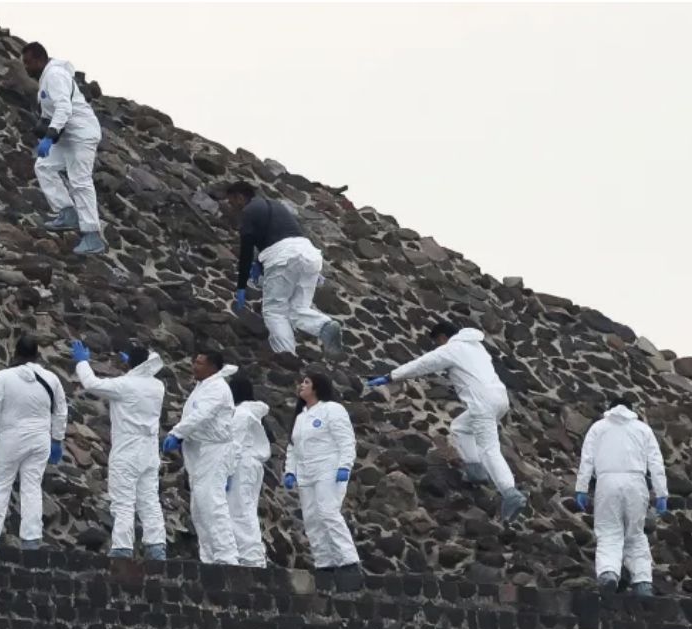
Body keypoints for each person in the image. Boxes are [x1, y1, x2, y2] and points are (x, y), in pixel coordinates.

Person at [365, 321, 527, 522]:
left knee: (489, 448)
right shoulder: (476, 346)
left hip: (482, 403)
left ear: (442, 337)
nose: (438, 346)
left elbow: (422, 364)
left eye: (437, 342)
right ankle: (475, 470)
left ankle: (510, 492)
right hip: (499, 399)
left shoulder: (453, 349)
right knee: (460, 428)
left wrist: (390, 377)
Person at [224, 181, 344, 357]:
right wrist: (259, 263)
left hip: (283, 257)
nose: (231, 205)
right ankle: (325, 325)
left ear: (240, 197)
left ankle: (286, 355)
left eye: (231, 201)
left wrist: (241, 286)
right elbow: (278, 234)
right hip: (309, 254)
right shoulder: (276, 205)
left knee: (274, 311)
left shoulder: (248, 212)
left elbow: (246, 251)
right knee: (297, 309)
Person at [72, 340, 168, 560]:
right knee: (149, 501)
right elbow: (148, 370)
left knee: (123, 502)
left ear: (131, 365)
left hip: (127, 450)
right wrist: (136, 366)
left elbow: (91, 384)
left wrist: (83, 362)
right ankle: (156, 548)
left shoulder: (125, 385)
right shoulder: (157, 387)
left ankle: (122, 549)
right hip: (149, 451)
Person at [574, 394, 669, 598]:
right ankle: (643, 582)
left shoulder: (598, 428)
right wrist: (662, 493)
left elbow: (587, 460)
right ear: (630, 410)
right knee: (635, 534)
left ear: (610, 409)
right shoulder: (643, 429)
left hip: (607, 482)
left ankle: (609, 573)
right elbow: (656, 463)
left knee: (609, 531)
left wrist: (581, 488)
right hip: (636, 483)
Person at [0, 335, 68, 550]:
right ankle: (31, 539)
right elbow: (61, 411)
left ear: (15, 352)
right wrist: (57, 439)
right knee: (32, 488)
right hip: (40, 440)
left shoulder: (3, 377)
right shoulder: (51, 379)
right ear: (37, 354)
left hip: (10, 437)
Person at [21, 42, 105, 256]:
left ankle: (92, 235)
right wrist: (44, 127)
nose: (26, 68)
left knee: (80, 180)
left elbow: (64, 108)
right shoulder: (47, 80)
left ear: (40, 60)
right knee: (44, 166)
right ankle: (67, 213)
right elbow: (53, 110)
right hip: (67, 136)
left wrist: (50, 135)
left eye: (29, 63)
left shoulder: (54, 75)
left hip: (81, 134)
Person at [162, 351, 240, 565]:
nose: (194, 366)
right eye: (194, 361)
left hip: (214, 452)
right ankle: (209, 557)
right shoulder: (202, 387)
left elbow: (202, 414)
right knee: (199, 508)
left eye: (199, 363)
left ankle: (227, 557)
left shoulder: (217, 388)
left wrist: (178, 433)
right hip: (200, 453)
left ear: (213, 367)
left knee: (212, 503)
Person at [284, 373, 360, 572]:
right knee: (311, 518)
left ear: (317, 387)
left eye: (307, 382)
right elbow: (293, 447)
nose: (302, 385)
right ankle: (324, 562)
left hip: (329, 469)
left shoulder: (332, 409)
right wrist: (290, 471)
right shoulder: (300, 417)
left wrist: (344, 466)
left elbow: (346, 440)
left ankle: (349, 560)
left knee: (328, 512)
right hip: (305, 473)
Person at [226, 376, 272, 568]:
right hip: (251, 466)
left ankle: (252, 559)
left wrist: (227, 471)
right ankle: (250, 556)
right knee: (245, 509)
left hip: (241, 465)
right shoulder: (251, 413)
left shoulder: (241, 414)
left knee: (240, 510)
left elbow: (234, 444)